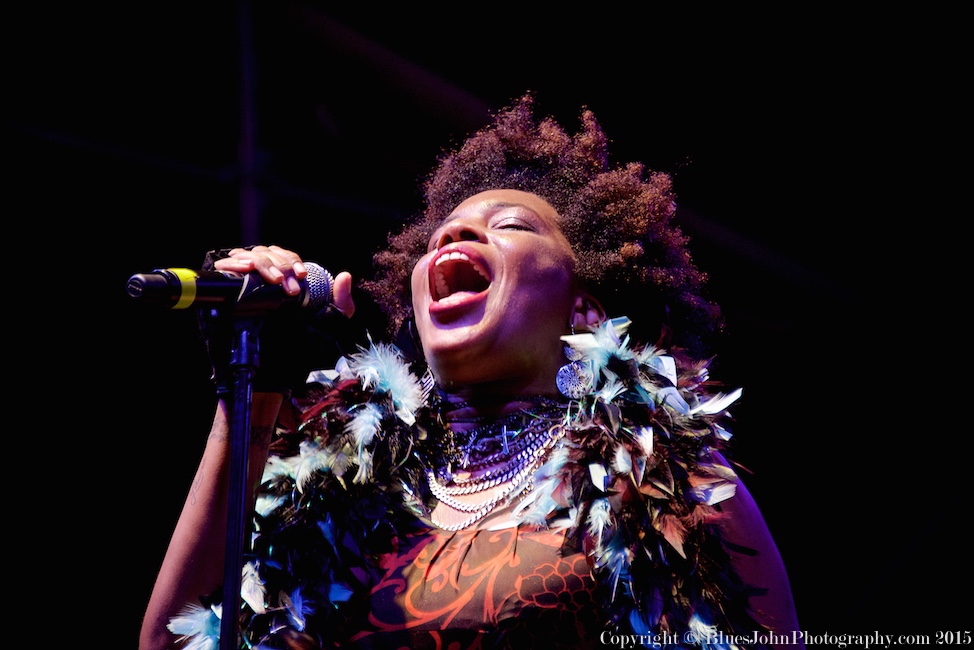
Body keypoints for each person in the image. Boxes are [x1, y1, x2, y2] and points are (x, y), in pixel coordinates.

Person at [139, 93, 802, 650]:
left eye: (510, 225)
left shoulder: (663, 477)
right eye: (439, 237)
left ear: (585, 309)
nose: (451, 238)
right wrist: (247, 400)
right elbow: (171, 642)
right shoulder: (337, 478)